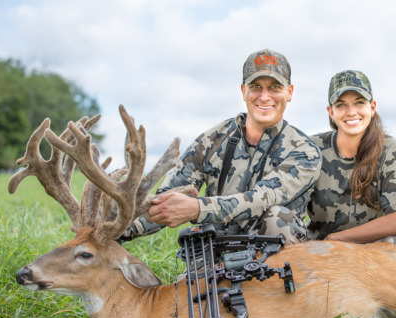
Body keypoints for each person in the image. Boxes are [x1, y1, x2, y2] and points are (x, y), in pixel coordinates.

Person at [123, 49, 322, 245]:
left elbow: (263, 198)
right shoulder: (212, 141)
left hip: (272, 262)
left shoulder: (305, 152)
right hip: (215, 258)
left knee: (278, 218)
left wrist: (197, 209)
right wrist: (121, 229)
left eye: (274, 88)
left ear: (289, 92)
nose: (264, 96)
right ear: (244, 91)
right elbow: (163, 201)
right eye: (255, 86)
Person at [307, 70, 396, 244]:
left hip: (371, 248)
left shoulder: (388, 147)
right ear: (331, 112)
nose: (351, 112)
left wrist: (336, 238)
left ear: (372, 108)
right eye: (341, 105)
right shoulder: (312, 147)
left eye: (359, 103)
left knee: (393, 244)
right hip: (320, 248)